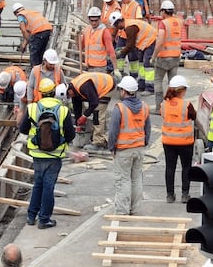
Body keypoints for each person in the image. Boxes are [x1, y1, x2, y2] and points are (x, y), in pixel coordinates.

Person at [22, 78, 75, 228]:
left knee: (38, 184)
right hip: (55, 155)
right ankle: (44, 219)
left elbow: (22, 129)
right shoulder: (63, 110)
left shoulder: (32, 108)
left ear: (41, 93)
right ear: (54, 93)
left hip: (37, 155)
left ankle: (31, 216)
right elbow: (71, 135)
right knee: (48, 187)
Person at [108, 76, 150, 216]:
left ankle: (122, 211)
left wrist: (111, 147)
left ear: (124, 91)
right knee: (136, 179)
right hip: (139, 148)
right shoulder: (144, 106)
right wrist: (144, 143)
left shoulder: (120, 108)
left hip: (123, 150)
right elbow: (147, 129)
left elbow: (113, 131)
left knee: (123, 180)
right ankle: (135, 209)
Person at [160, 75, 196, 203]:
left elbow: (163, 115)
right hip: (185, 142)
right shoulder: (187, 105)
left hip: (168, 141)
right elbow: (193, 117)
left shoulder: (164, 104)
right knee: (186, 167)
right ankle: (185, 194)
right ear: (183, 90)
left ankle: (170, 195)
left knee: (170, 168)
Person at [67, 71, 115, 152]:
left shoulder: (83, 87)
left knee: (98, 113)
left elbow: (94, 102)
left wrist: (85, 116)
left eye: (68, 95)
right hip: (101, 86)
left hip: (108, 85)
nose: (70, 97)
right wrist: (78, 122)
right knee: (94, 111)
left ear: (69, 90)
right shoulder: (74, 90)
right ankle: (99, 135)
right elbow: (77, 107)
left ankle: (98, 142)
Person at [109, 13, 156, 94]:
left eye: (116, 26)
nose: (117, 28)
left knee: (147, 65)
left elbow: (130, 45)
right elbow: (131, 44)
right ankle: (141, 85)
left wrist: (121, 52)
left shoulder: (129, 28)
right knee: (141, 64)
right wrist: (123, 49)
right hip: (144, 42)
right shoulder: (128, 24)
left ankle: (150, 89)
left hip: (150, 40)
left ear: (119, 22)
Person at [153, 0, 182, 111]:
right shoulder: (179, 22)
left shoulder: (163, 23)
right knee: (173, 82)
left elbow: (160, 40)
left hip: (164, 57)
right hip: (175, 57)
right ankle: (173, 107)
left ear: (164, 11)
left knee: (158, 81)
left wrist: (154, 56)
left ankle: (159, 108)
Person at [12, 3, 54, 67]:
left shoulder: (20, 15)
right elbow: (28, 32)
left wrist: (29, 41)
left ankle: (34, 70)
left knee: (34, 53)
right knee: (40, 52)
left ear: (15, 13)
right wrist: (24, 44)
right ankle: (41, 68)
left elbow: (23, 30)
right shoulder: (31, 12)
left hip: (39, 31)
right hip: (47, 30)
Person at [80, 7, 119, 74]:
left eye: (96, 20)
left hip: (100, 68)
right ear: (89, 20)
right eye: (92, 21)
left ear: (100, 19)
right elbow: (81, 47)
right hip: (88, 66)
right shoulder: (87, 30)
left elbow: (111, 51)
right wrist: (76, 36)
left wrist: (116, 68)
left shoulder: (104, 31)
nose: (94, 23)